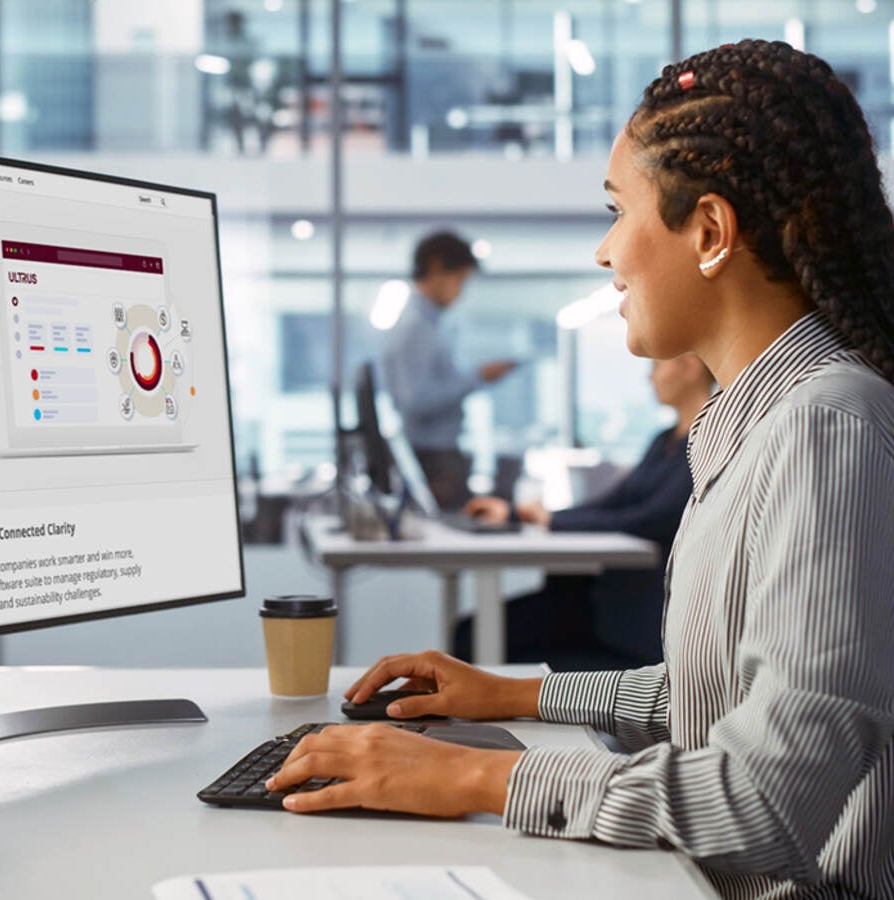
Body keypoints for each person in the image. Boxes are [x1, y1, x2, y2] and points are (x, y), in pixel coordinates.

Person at [270, 40, 894, 899]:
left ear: (709, 232)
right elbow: (709, 698)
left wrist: (466, 779)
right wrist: (509, 695)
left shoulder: (825, 426)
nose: (605, 254)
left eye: (616, 211)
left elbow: (765, 800)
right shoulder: (755, 423)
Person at [453, 353, 713, 669]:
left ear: (690, 367)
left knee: (475, 637)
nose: (650, 377)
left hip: (637, 615)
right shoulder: (663, 441)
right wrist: (521, 514)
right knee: (469, 632)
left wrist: (552, 520)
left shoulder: (706, 443)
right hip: (608, 597)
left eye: (656, 366)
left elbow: (650, 519)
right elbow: (612, 502)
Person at [381, 231, 516, 510]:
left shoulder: (428, 325)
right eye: (459, 280)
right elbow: (415, 400)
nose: (460, 292)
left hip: (435, 454)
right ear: (436, 267)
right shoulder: (416, 328)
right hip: (432, 457)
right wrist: (477, 377)